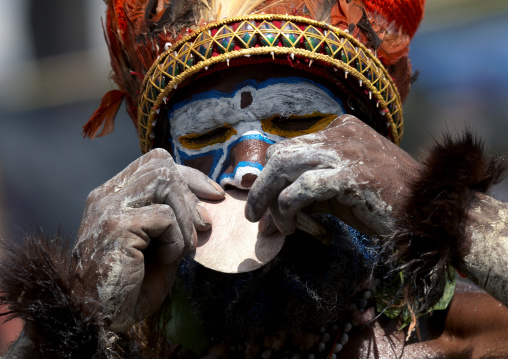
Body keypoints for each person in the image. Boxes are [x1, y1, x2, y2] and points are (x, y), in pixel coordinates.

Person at [2, 0, 508, 358]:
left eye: (294, 123)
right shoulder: (131, 348)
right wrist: (78, 316)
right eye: (206, 134)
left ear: (368, 155)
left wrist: (440, 210)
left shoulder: (466, 340)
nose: (248, 167)